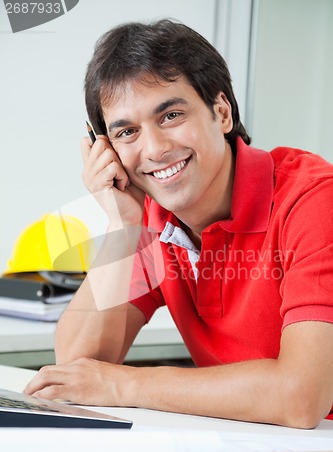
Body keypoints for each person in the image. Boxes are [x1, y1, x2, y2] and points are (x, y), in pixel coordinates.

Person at [24, 19, 333, 428]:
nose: (154, 149)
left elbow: (301, 395)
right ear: (105, 149)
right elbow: (79, 367)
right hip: (251, 451)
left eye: (170, 115)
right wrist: (123, 227)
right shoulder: (153, 220)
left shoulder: (313, 199)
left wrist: (126, 386)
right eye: (128, 132)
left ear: (221, 112)